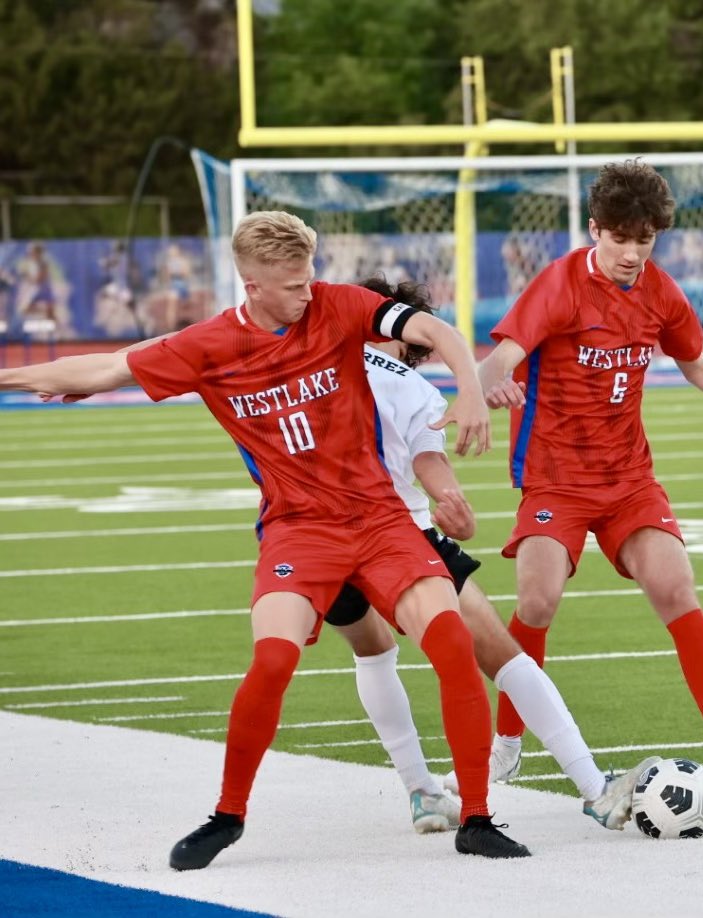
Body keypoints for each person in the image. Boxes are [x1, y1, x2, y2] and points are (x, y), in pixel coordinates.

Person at [0, 210, 531, 867]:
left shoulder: (336, 305)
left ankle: (476, 818)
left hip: (379, 518)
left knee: (451, 641)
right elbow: (107, 367)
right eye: (293, 285)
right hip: (298, 529)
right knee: (273, 660)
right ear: (252, 286)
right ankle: (228, 816)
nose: (309, 292)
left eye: (310, 278)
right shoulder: (209, 345)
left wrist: (472, 390)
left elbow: (432, 329)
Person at [477, 160, 703, 803]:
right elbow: (502, 357)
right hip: (555, 478)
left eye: (645, 239)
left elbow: (695, 363)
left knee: (674, 584)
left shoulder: (661, 291)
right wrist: (488, 385)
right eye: (620, 238)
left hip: (629, 477)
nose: (631, 253)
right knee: (538, 601)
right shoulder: (559, 284)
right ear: (595, 229)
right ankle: (508, 739)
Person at [323, 275, 659, 835]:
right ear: (404, 338)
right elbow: (432, 469)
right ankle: (595, 787)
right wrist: (455, 506)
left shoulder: (310, 363)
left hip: (318, 538)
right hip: (395, 536)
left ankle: (422, 792)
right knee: (502, 656)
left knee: (373, 653)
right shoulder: (411, 387)